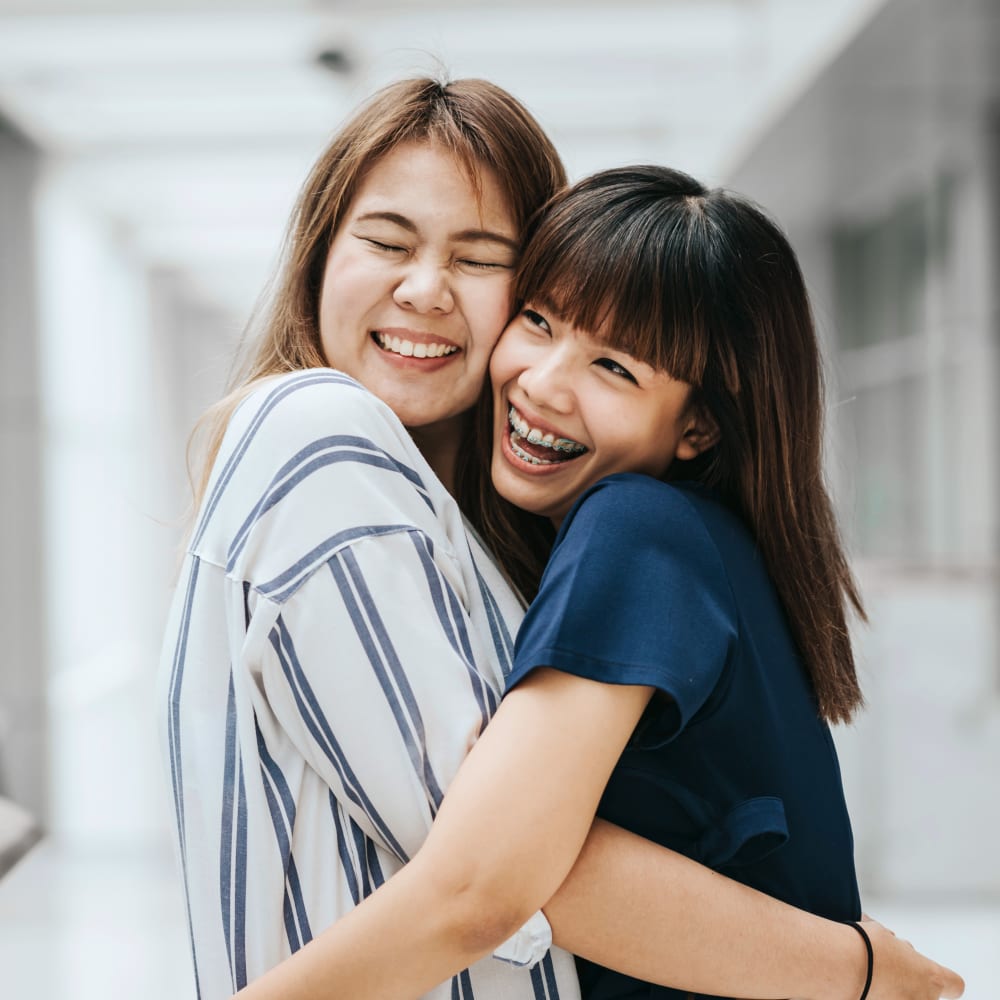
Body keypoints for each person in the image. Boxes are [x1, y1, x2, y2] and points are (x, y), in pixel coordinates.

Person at [159, 76, 963, 1000]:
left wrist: (863, 974)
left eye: (613, 365)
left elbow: (482, 879)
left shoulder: (634, 529)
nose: (542, 381)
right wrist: (860, 969)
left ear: (698, 427)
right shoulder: (354, 447)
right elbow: (491, 868)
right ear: (318, 254)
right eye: (541, 323)